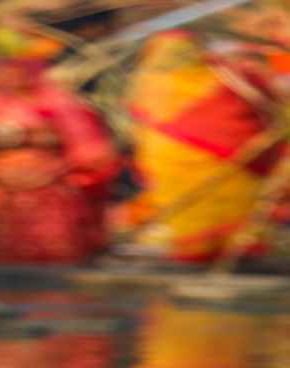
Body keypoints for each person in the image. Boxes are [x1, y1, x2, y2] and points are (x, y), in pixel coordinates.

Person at [0, 40, 120, 263]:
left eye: (20, 69)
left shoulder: (60, 104)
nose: (12, 76)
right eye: (7, 70)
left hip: (48, 192)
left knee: (52, 257)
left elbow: (92, 153)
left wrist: (54, 164)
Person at [118, 31, 283, 263]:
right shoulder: (226, 75)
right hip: (231, 159)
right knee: (234, 221)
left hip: (176, 163)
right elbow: (270, 102)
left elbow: (139, 128)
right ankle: (235, 258)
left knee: (194, 221)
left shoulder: (147, 83)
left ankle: (204, 258)